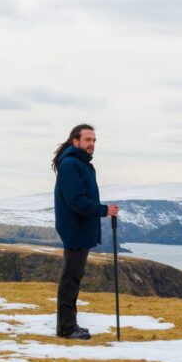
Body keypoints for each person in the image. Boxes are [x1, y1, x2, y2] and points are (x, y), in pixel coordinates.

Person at [52, 124, 119, 340]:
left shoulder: (81, 164)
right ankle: (66, 328)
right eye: (88, 140)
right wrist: (103, 210)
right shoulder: (71, 164)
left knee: (74, 277)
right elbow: (76, 200)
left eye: (94, 140)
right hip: (75, 228)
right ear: (75, 141)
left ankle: (69, 325)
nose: (92, 144)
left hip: (80, 227)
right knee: (71, 278)